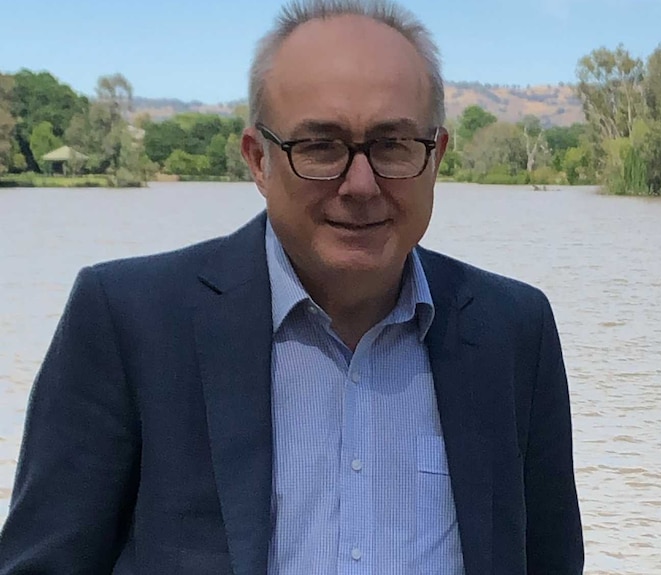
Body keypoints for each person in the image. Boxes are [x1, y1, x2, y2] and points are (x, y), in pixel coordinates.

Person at [0, 1, 585, 573]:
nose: (360, 184)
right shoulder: (129, 322)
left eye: (392, 145)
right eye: (320, 147)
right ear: (258, 160)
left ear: (436, 157)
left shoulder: (514, 330)